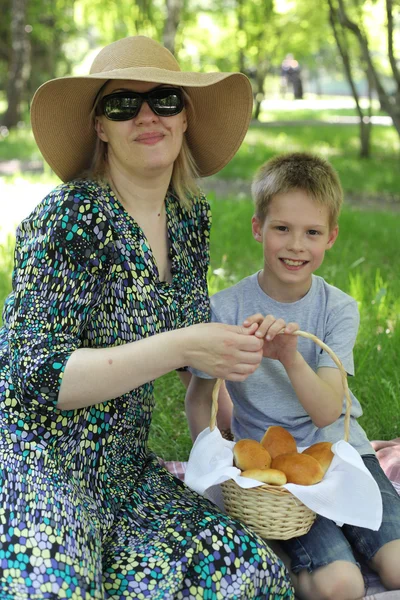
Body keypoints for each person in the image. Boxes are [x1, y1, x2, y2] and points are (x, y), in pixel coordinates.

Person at [0, 36, 294, 599]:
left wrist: (230, 393)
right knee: (52, 589)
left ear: (185, 118)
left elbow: (189, 335)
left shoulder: (188, 216)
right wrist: (183, 346)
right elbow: (36, 376)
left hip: (122, 470)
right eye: (120, 105)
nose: (145, 116)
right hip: (33, 456)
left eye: (163, 99)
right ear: (100, 127)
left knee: (252, 575)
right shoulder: (71, 217)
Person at [186, 152, 400, 600]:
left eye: (312, 233)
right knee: (343, 586)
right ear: (257, 228)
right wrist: (219, 467)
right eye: (282, 228)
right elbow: (201, 399)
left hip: (342, 455)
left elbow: (327, 409)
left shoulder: (337, 309)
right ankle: (283, 561)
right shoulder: (225, 309)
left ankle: (350, 544)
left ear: (331, 237)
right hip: (278, 473)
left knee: (398, 568)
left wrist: (288, 355)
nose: (296, 245)